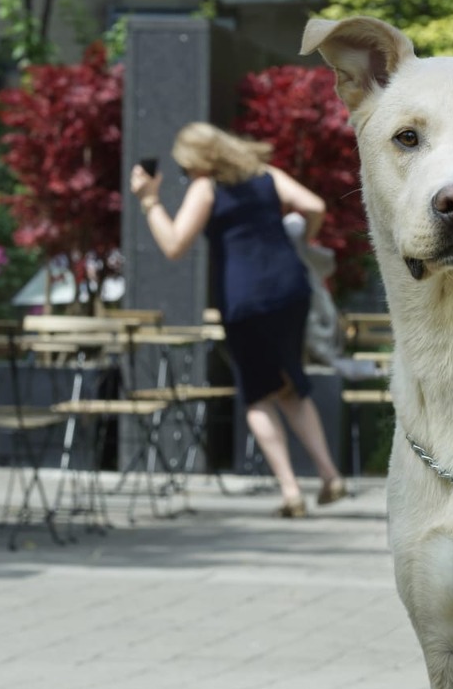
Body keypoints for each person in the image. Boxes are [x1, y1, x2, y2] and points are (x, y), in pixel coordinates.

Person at [129, 122, 347, 517]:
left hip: (245, 297)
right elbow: (314, 206)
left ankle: (291, 491)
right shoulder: (267, 175)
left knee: (258, 394)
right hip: (289, 289)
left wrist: (150, 201)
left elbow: (175, 244)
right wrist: (303, 240)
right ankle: (330, 475)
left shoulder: (205, 188)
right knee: (291, 383)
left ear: (198, 159)